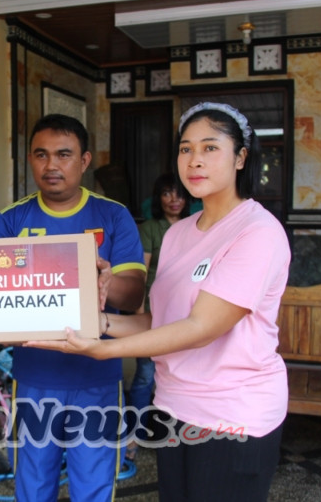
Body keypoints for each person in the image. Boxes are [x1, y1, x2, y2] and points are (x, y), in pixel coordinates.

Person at [29, 103, 291, 502]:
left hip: (232, 414)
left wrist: (103, 350)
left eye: (209, 148)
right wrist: (96, 321)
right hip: (174, 406)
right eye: (185, 150)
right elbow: (161, 320)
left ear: (240, 157)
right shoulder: (179, 233)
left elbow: (199, 328)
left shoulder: (257, 232)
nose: (194, 161)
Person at [0, 114, 146, 502]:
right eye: (41, 155)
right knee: (33, 483)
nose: (52, 165)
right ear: (30, 159)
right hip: (34, 375)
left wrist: (103, 284)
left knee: (92, 485)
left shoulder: (113, 216)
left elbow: (133, 295)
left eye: (64, 154)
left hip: (98, 373)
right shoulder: (11, 221)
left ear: (85, 160)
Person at [125, 172, 188, 461]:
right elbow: (141, 272)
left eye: (178, 193)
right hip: (153, 312)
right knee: (145, 377)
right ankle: (135, 435)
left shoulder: (195, 227)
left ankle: (172, 434)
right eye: (166, 193)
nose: (173, 199)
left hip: (186, 315)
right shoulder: (150, 228)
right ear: (157, 198)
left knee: (180, 377)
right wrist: (139, 314)